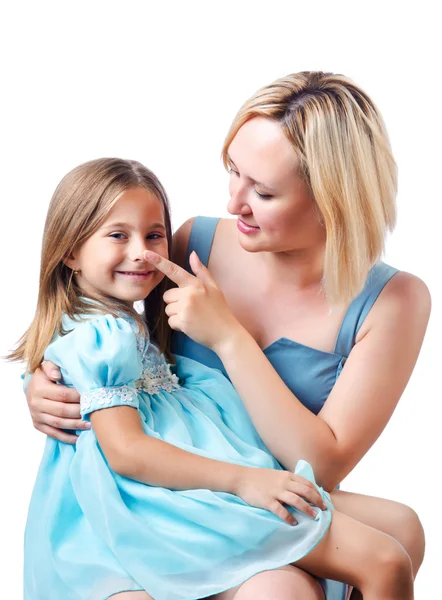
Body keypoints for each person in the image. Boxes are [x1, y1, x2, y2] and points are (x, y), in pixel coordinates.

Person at [25, 72, 430, 600]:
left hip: (271, 479)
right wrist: (44, 384)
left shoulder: (394, 301)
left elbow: (324, 465)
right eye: (233, 171)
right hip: (188, 494)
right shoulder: (196, 243)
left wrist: (229, 338)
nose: (234, 201)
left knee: (403, 529)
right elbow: (113, 346)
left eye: (262, 191)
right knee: (295, 584)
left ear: (334, 200)